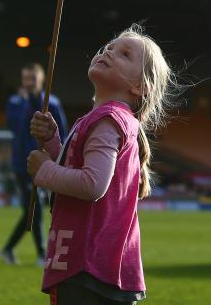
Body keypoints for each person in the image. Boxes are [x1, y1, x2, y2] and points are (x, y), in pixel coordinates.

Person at [27, 24, 175, 303]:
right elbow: (80, 170)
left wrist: (44, 171)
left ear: (140, 86)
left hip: (89, 270)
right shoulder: (102, 119)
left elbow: (92, 185)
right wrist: (53, 142)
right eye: (109, 47)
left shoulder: (108, 119)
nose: (109, 51)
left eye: (124, 54)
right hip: (96, 270)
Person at [0, 63, 68, 265]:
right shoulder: (15, 102)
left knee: (35, 210)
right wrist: (28, 103)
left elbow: (61, 132)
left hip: (45, 162)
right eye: (26, 79)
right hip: (21, 164)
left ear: (41, 81)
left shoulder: (52, 103)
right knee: (34, 209)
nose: (29, 84)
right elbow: (14, 126)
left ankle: (9, 250)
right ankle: (40, 254)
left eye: (33, 79)